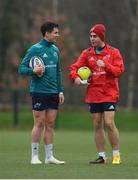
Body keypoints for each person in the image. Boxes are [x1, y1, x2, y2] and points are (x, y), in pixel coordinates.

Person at [70, 24, 124, 165]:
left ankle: (116, 155)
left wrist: (106, 65)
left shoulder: (113, 52)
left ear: (102, 37)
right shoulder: (87, 53)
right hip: (94, 94)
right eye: (91, 36)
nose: (92, 39)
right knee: (97, 124)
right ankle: (102, 157)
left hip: (109, 92)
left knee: (109, 123)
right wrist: (75, 78)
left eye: (95, 36)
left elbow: (119, 71)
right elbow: (74, 68)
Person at [18, 22, 65, 165]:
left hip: (53, 92)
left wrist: (60, 90)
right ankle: (34, 156)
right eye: (56, 33)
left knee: (50, 123)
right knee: (39, 122)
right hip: (39, 91)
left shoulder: (56, 50)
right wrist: (34, 71)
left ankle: (49, 156)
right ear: (47, 33)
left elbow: (58, 72)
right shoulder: (34, 49)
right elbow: (21, 69)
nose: (58, 35)